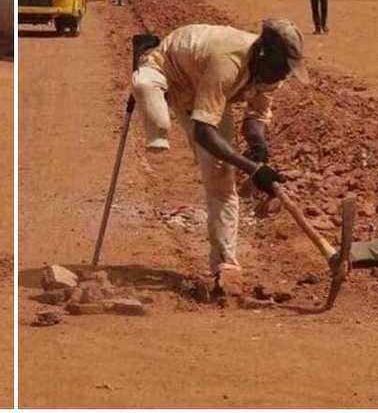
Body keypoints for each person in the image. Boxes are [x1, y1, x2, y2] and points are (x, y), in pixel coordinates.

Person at [131, 18, 308, 294]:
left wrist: (258, 146)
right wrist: (253, 169)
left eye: (289, 69)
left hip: (210, 92)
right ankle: (156, 118)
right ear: (264, 54)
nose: (285, 75)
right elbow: (204, 132)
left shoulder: (272, 73)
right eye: (283, 67)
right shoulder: (228, 61)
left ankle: (225, 264)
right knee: (147, 91)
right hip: (174, 73)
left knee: (222, 178)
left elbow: (255, 118)